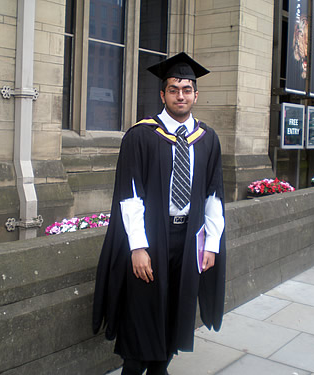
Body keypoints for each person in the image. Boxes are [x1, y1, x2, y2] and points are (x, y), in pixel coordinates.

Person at [93, 52, 226, 375]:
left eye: (186, 89)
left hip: (188, 238)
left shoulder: (207, 140)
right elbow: (130, 197)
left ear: (196, 94)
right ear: (162, 94)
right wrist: (138, 247)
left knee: (175, 309)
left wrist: (211, 244)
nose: (180, 95)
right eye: (173, 89)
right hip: (150, 237)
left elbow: (213, 196)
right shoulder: (140, 136)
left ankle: (160, 368)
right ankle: (135, 368)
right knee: (141, 311)